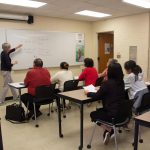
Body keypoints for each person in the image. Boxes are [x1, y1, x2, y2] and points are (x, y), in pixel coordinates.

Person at [85, 63, 127, 145]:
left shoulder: (107, 83)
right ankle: (109, 129)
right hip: (122, 113)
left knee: (93, 114)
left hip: (112, 114)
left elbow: (97, 96)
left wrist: (88, 93)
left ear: (110, 72)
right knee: (101, 110)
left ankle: (109, 129)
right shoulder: (121, 82)